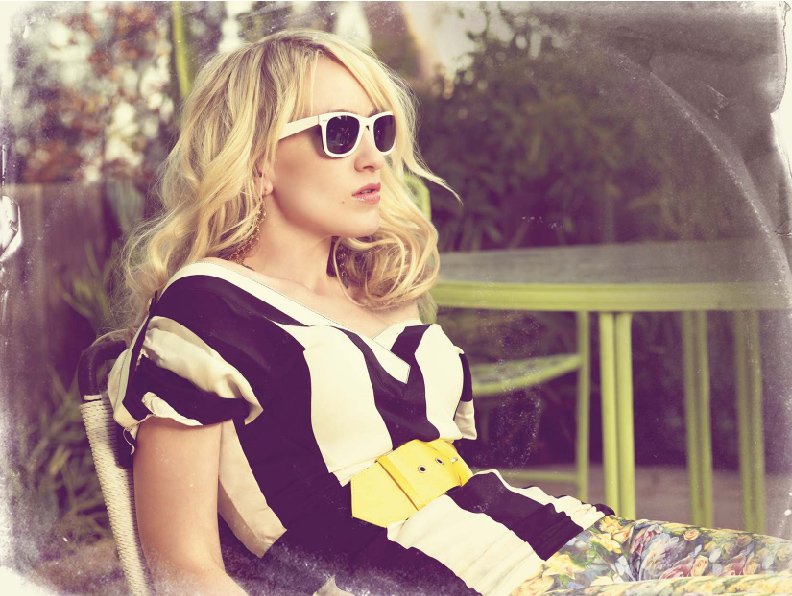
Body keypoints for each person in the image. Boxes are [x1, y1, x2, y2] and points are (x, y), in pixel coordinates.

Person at [104, 29, 792, 595]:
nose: (373, 157)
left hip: (574, 539)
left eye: (379, 129)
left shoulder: (373, 286)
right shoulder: (206, 311)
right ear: (257, 160)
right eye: (338, 132)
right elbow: (181, 568)